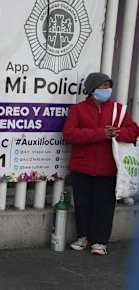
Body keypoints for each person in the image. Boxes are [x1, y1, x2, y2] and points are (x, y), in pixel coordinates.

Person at [63, 72, 139, 255]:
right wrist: (100, 134)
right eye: (103, 86)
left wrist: (116, 132)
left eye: (108, 85)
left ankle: (99, 241)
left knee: (104, 206)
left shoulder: (118, 110)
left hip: (108, 168)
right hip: (82, 167)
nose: (107, 89)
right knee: (82, 204)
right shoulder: (78, 110)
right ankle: (83, 237)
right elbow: (70, 134)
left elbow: (134, 132)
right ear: (91, 90)